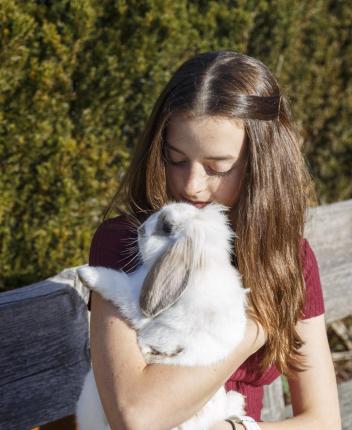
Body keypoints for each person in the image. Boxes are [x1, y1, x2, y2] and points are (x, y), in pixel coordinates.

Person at [86, 51, 341, 430]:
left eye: (217, 167)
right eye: (176, 159)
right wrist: (253, 328)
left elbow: (323, 420)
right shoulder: (128, 243)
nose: (191, 184)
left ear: (261, 167)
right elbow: (135, 416)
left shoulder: (286, 257)